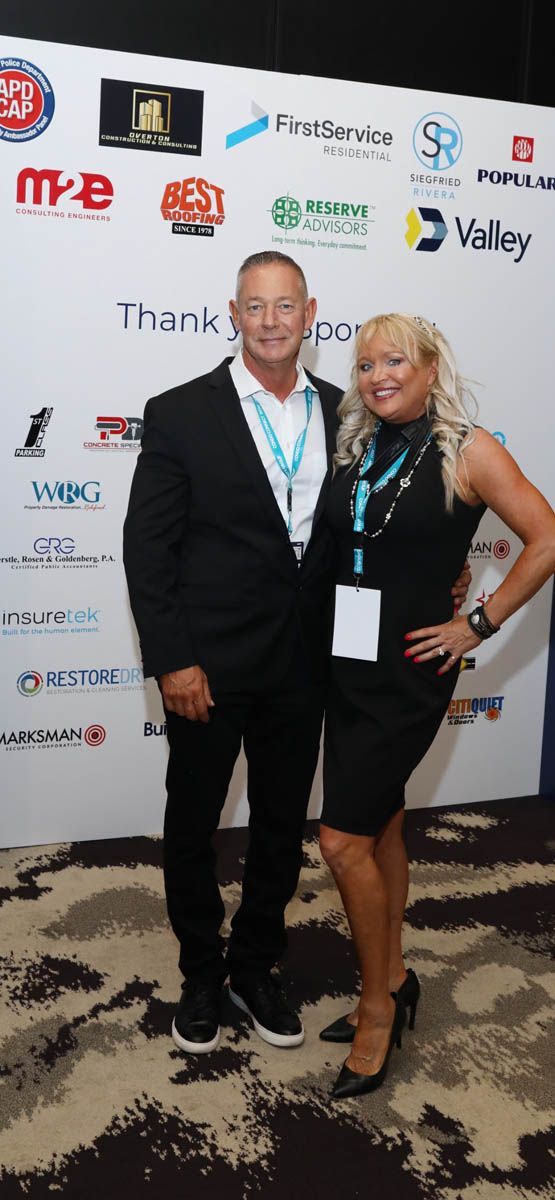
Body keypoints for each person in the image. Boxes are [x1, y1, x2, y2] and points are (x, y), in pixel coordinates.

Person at [123, 257, 470, 1057]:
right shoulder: (179, 412)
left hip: (311, 662)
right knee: (193, 823)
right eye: (256, 306)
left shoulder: (344, 412)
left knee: (283, 824)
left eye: (286, 306)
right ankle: (202, 974)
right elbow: (148, 549)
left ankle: (254, 966)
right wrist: (173, 659)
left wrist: (445, 578)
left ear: (310, 312)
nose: (272, 320)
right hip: (206, 665)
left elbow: (390, 513)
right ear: (233, 313)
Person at [318, 313, 555, 1099]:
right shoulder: (357, 443)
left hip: (410, 671)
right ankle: (395, 973)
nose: (376, 375)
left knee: (340, 842)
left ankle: (376, 1009)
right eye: (363, 364)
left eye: (393, 360)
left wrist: (475, 620)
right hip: (347, 662)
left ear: (428, 368)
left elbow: (546, 538)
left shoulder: (468, 448)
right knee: (380, 823)